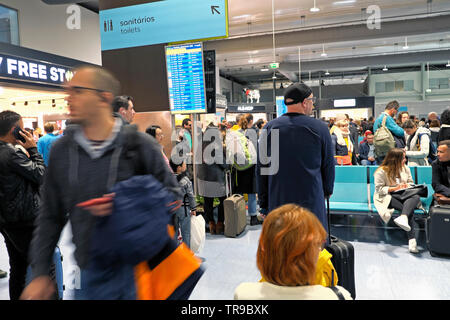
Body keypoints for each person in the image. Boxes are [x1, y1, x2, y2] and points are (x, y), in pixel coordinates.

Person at [21, 65, 182, 300]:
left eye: (77, 90)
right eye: (67, 90)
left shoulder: (138, 145)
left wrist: (124, 202)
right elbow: (50, 216)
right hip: (90, 273)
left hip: (140, 271)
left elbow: (172, 196)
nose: (68, 97)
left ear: (103, 98)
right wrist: (40, 273)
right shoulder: (63, 151)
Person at [257, 83, 335, 232]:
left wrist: (264, 201)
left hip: (279, 201)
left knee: (282, 245)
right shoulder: (320, 128)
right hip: (311, 200)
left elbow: (262, 168)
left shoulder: (270, 128)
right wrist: (326, 191)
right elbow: (328, 165)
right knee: (311, 246)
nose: (312, 104)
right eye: (312, 100)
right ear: (305, 102)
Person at [234, 204, 352, 300]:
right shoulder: (338, 296)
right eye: (317, 246)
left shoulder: (244, 294)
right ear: (312, 255)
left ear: (263, 249)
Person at [0, 110, 45, 300]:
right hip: (24, 220)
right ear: (14, 130)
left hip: (7, 220)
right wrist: (33, 149)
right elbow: (41, 175)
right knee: (42, 268)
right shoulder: (11, 154)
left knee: (17, 268)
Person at [373, 148, 422, 253]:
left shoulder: (405, 168)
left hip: (404, 194)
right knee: (409, 210)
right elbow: (379, 190)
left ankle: (403, 217)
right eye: (403, 158)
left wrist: (407, 185)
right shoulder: (381, 171)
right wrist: (394, 188)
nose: (405, 160)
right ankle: (412, 241)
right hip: (389, 196)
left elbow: (410, 182)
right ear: (395, 159)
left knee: (416, 197)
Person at [230, 114, 260, 226]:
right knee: (251, 192)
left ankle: (239, 217)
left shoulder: (233, 134)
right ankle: (253, 217)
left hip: (238, 168)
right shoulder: (251, 133)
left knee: (239, 192)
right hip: (250, 167)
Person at [169, 158, 197, 248]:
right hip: (183, 209)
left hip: (172, 209)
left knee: (174, 233)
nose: (185, 165)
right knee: (186, 233)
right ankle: (186, 255)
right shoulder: (186, 180)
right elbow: (190, 196)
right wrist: (193, 208)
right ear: (179, 168)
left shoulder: (168, 178)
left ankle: (174, 254)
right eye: (184, 164)